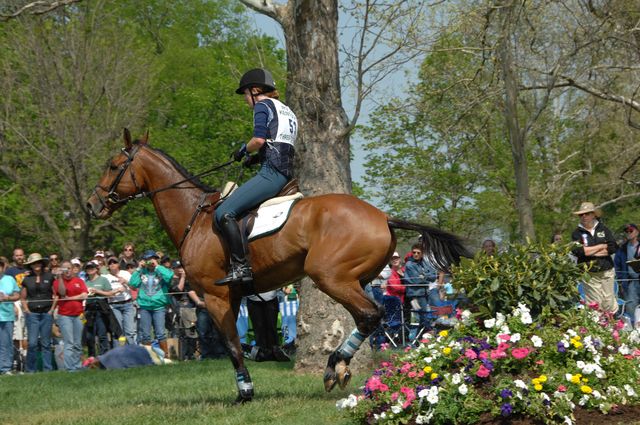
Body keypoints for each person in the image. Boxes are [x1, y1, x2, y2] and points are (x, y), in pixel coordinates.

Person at [214, 68, 298, 287]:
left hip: (272, 174)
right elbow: (278, 142)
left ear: (255, 90)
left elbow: (259, 140)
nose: (245, 100)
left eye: (245, 94)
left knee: (223, 212)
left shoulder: (262, 106)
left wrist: (244, 150)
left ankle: (241, 266)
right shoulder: (286, 110)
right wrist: (256, 159)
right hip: (286, 172)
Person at [570, 202, 618, 314]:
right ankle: (597, 328)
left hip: (607, 271)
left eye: (586, 214)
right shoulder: (577, 233)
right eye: (581, 215)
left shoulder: (604, 229)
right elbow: (579, 251)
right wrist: (602, 246)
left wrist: (590, 251)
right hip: (589, 273)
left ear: (593, 215)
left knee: (608, 302)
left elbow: (612, 247)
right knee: (594, 304)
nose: (583, 217)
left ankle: (612, 326)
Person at [129, 250, 173, 356]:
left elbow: (169, 277)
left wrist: (157, 266)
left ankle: (165, 356)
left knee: (161, 333)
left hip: (159, 307)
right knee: (146, 335)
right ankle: (149, 357)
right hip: (144, 307)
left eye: (152, 259)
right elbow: (133, 284)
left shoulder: (161, 270)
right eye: (147, 259)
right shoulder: (142, 272)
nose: (150, 261)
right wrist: (139, 269)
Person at [20, 253, 56, 373]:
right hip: (33, 314)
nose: (36, 265)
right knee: (33, 343)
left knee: (46, 343)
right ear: (31, 265)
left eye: (38, 262)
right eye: (34, 263)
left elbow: (56, 295)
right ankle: (31, 370)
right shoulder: (27, 279)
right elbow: (23, 297)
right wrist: (27, 310)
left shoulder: (50, 277)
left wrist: (51, 310)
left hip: (46, 313)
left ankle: (48, 369)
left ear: (42, 263)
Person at [53, 260, 88, 371]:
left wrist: (71, 298)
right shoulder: (58, 282)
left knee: (78, 343)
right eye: (64, 269)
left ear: (73, 269)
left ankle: (77, 365)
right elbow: (62, 293)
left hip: (79, 315)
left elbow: (84, 295)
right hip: (65, 315)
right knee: (69, 342)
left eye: (69, 268)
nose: (67, 271)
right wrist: (59, 277)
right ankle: (70, 368)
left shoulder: (79, 281)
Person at [244, 290, 290, 362]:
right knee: (258, 328)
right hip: (253, 299)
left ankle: (274, 352)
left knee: (271, 327)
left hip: (271, 298)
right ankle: (262, 352)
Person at [84, 261, 116, 357]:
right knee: (90, 336)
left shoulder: (103, 280)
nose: (90, 269)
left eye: (92, 267)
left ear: (96, 269)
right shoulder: (85, 282)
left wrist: (97, 291)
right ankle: (92, 357)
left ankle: (104, 357)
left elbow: (110, 293)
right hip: (89, 309)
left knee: (102, 334)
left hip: (101, 308)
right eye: (88, 268)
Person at [404, 244, 439, 332]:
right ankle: (423, 335)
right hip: (415, 295)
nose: (416, 254)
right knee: (420, 316)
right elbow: (416, 280)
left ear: (422, 254)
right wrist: (426, 279)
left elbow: (434, 276)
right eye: (414, 252)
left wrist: (423, 276)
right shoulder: (409, 264)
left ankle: (424, 335)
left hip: (425, 293)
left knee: (427, 313)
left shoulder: (425, 263)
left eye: (418, 253)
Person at [103, 256, 136, 345]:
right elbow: (104, 292)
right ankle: (118, 355)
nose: (112, 264)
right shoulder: (105, 277)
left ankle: (132, 354)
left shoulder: (125, 273)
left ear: (118, 264)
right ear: (108, 266)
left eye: (114, 262)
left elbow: (134, 287)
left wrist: (125, 281)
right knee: (118, 332)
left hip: (127, 304)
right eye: (110, 263)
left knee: (129, 332)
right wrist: (115, 291)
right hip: (114, 305)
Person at [614, 223, 640, 325]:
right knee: (630, 306)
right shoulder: (622, 249)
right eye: (626, 231)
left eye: (631, 230)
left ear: (637, 232)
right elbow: (617, 266)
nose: (629, 232)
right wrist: (621, 281)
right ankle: (633, 331)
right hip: (630, 282)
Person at [0, 257, 20, 375]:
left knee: (6, 343)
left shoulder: (9, 279)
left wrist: (8, 298)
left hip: (7, 316)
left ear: (3, 268)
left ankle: (6, 368)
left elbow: (17, 295)